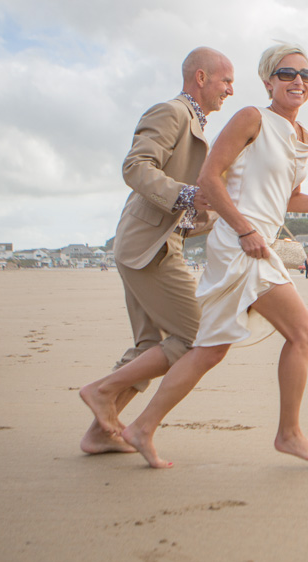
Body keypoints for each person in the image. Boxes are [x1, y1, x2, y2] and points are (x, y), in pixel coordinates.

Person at [121, 43, 308, 468]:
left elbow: (289, 198)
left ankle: (141, 426)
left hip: (257, 240)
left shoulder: (301, 137)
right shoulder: (252, 118)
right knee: (303, 333)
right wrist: (244, 229)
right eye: (286, 73)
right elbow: (209, 177)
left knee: (209, 349)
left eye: (306, 75)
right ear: (268, 81)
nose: (298, 81)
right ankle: (289, 434)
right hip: (241, 241)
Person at [76, 47, 234, 454]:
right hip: (150, 247)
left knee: (149, 346)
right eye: (226, 81)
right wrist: (188, 194)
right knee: (197, 337)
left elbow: (196, 205)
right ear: (200, 78)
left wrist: (214, 212)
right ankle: (102, 390)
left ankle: (98, 434)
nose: (230, 91)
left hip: (152, 243)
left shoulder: (197, 125)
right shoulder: (171, 112)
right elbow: (136, 167)